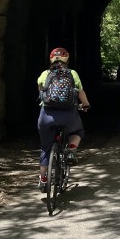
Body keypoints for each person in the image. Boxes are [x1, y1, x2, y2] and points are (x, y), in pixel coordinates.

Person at [36, 47, 90, 192]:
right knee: (78, 131)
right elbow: (80, 92)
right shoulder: (72, 73)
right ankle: (71, 150)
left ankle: (43, 179)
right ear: (67, 59)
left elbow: (41, 90)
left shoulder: (45, 74)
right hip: (68, 115)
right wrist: (85, 105)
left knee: (45, 149)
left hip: (47, 116)